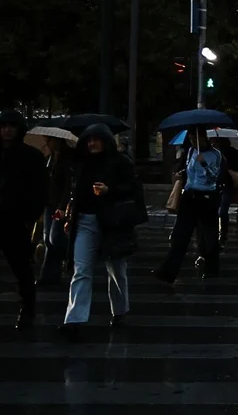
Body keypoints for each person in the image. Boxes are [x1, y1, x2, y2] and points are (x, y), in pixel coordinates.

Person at [58, 124, 140, 342]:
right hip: (85, 220)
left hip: (112, 222)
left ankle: (120, 311)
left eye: (96, 139)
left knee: (116, 270)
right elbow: (75, 192)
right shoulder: (81, 163)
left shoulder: (120, 163)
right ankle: (74, 319)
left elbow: (133, 188)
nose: (92, 143)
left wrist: (109, 190)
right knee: (81, 269)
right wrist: (69, 214)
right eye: (89, 140)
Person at [155, 128, 223, 283]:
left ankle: (212, 268)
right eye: (191, 138)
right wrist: (182, 173)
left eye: (196, 137)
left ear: (203, 137)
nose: (193, 141)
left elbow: (215, 177)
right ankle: (168, 271)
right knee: (180, 235)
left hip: (207, 197)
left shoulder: (215, 154)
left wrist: (204, 164)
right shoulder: (191, 150)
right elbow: (190, 171)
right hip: (190, 196)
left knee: (209, 235)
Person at [0, 110, 47, 329]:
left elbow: (40, 189)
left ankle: (27, 309)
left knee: (22, 269)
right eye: (3, 126)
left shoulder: (31, 156)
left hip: (16, 220)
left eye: (12, 126)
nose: (7, 130)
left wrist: (30, 216)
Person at [39, 136, 73, 286]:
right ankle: (48, 275)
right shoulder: (50, 158)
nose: (47, 143)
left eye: (50, 140)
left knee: (54, 238)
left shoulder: (67, 159)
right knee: (48, 239)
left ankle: (69, 258)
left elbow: (68, 186)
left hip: (59, 204)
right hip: (49, 203)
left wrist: (62, 206)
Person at [214, 137, 238, 249]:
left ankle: (223, 234)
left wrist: (227, 163)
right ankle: (219, 232)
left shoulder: (230, 152)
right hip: (219, 184)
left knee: (223, 210)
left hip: (228, 184)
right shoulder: (215, 153)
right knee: (219, 209)